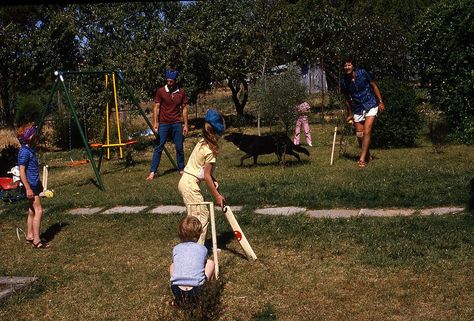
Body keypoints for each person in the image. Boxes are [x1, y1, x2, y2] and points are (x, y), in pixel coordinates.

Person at [178, 108, 225, 244]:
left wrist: (213, 179)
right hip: (189, 185)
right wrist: (217, 196)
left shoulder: (201, 142)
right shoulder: (209, 150)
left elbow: (202, 170)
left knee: (195, 217)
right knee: (201, 217)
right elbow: (207, 175)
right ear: (218, 132)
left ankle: (192, 247)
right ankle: (197, 250)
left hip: (186, 182)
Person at [340, 58, 385, 168]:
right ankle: (367, 154)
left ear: (353, 66)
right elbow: (347, 99)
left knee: (367, 131)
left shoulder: (363, 73)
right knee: (359, 135)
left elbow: (374, 86)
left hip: (370, 104)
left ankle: (362, 159)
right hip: (358, 108)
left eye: (349, 65)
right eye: (345, 66)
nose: (347, 68)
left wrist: (380, 102)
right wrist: (350, 113)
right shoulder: (343, 82)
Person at [146, 69, 188, 180]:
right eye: (167, 81)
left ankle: (181, 168)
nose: (169, 83)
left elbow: (184, 109)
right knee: (159, 147)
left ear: (175, 81)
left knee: (179, 147)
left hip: (176, 123)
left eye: (171, 81)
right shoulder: (161, 91)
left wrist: (186, 125)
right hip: (164, 124)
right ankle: (152, 172)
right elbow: (156, 107)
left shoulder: (181, 92)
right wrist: (155, 123)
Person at [169, 215, 215, 306]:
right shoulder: (202, 249)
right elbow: (202, 263)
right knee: (210, 263)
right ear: (199, 234)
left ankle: (179, 299)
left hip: (176, 289)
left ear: (180, 234)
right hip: (197, 288)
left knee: (173, 265)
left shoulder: (176, 248)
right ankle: (207, 291)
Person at [17, 123, 48, 249]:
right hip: (30, 187)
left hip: (34, 186)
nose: (37, 137)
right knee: (39, 210)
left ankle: (30, 235)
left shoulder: (29, 150)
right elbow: (22, 171)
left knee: (32, 211)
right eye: (35, 135)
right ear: (30, 138)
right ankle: (37, 240)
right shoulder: (24, 152)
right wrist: (28, 188)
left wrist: (38, 185)